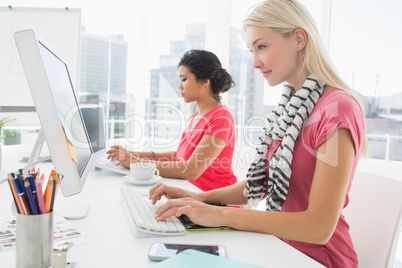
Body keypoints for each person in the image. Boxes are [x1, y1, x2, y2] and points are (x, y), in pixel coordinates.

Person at [148, 1, 366, 267]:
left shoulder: (337, 108)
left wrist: (221, 216)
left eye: (262, 46)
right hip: (277, 248)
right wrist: (200, 199)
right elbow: (260, 184)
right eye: (252, 50)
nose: (254, 62)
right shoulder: (291, 108)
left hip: (317, 260)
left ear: (299, 39)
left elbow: (319, 227)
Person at [107, 49, 237, 191]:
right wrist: (133, 155)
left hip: (218, 203)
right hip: (194, 197)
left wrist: (135, 162)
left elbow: (191, 170)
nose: (179, 86)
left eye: (184, 79)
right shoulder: (197, 116)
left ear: (205, 81)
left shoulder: (221, 118)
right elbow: (179, 157)